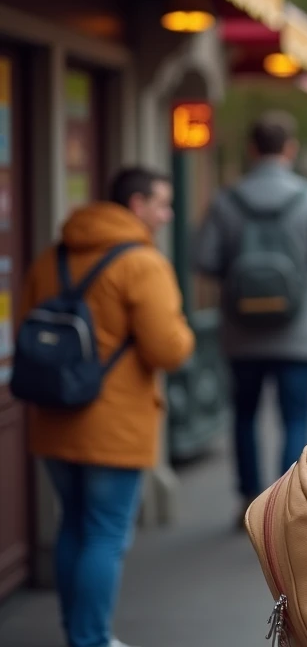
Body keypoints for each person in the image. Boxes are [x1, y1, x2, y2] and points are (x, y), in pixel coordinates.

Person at [19, 167, 195, 647]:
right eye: (162, 203)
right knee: (105, 534)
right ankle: (91, 638)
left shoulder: (51, 257)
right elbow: (168, 349)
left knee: (72, 525)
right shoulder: (142, 263)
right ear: (136, 205)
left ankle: (76, 630)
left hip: (54, 415)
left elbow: (24, 323)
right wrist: (184, 332)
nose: (168, 213)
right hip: (113, 424)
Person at [195, 111, 307, 524]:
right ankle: (285, 508)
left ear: (251, 149)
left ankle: (248, 499)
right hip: (297, 331)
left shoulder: (226, 201)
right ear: (290, 148)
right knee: (295, 417)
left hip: (241, 331)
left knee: (244, 415)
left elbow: (204, 259)